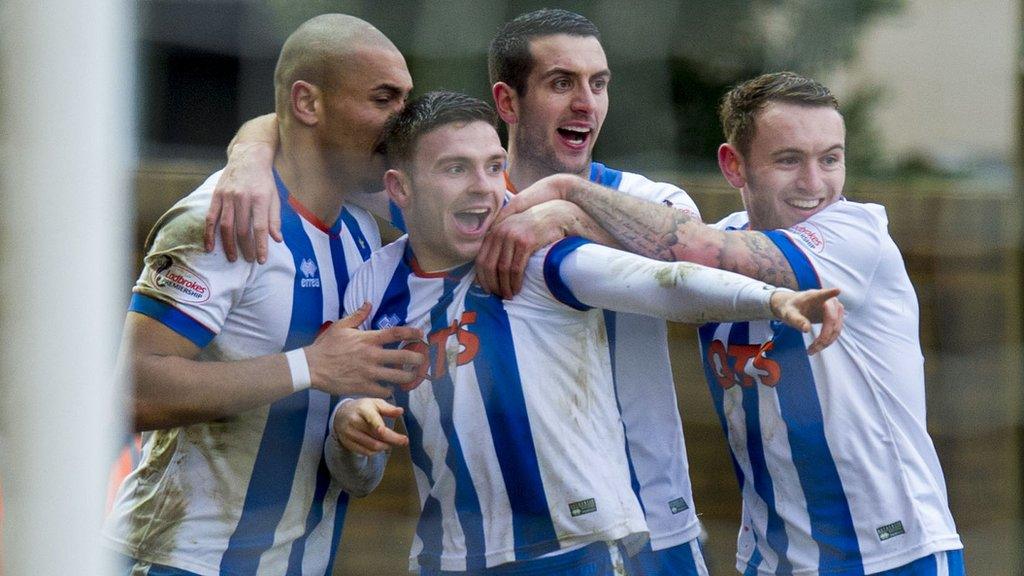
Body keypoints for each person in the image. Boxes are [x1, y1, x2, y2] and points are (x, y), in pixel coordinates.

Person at [204, 10, 736, 574]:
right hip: (487, 547)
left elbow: (693, 256)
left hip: (655, 524)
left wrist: (562, 209)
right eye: (562, 83)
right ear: (507, 102)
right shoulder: (448, 195)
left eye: (599, 83)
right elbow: (303, 121)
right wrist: (247, 159)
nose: (587, 103)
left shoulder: (642, 196)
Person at [331, 89, 841, 575]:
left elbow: (665, 285)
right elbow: (359, 476)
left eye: (493, 167)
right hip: (447, 560)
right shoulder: (375, 286)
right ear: (399, 188)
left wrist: (770, 298)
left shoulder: (536, 255)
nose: (484, 188)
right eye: (455, 169)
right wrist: (346, 427)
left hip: (578, 548)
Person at [500, 71, 965, 575]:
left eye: (830, 159)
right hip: (771, 560)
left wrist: (572, 193)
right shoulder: (716, 250)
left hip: (893, 555)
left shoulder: (858, 234)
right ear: (733, 165)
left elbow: (700, 250)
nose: (815, 183)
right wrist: (561, 222)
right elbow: (667, 261)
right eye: (789, 160)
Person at [102, 14, 425, 575]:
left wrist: (353, 418)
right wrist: (311, 366)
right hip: (181, 562)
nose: (405, 121)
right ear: (307, 104)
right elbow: (133, 392)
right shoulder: (226, 220)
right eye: (384, 99)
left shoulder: (363, 230)